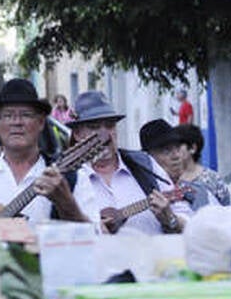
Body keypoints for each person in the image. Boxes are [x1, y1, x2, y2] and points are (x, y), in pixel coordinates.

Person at [0, 79, 94, 223]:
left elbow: (95, 238)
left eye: (26, 115)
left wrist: (67, 204)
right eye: (8, 115)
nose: (17, 122)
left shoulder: (74, 178)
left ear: (41, 123)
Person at [68, 91, 190, 234]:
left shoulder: (144, 164)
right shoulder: (69, 178)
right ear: (77, 134)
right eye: (94, 127)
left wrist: (171, 219)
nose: (105, 135)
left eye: (110, 126)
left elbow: (186, 215)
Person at [140, 119, 229, 210]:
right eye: (166, 151)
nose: (176, 156)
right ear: (147, 157)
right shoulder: (138, 192)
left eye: (178, 148)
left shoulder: (197, 190)